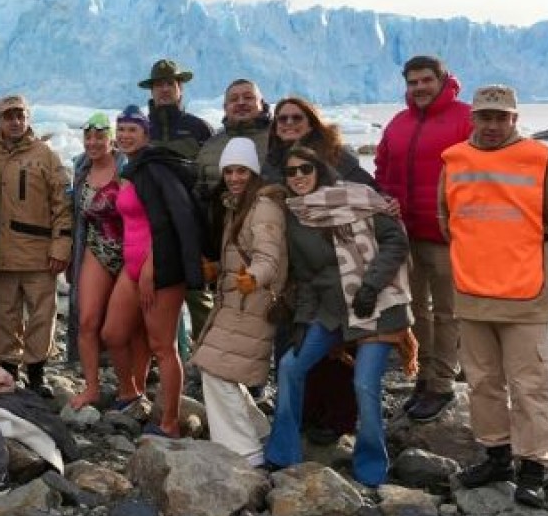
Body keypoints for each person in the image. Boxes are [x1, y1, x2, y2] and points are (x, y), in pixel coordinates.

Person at [442, 85, 548, 506]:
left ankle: (533, 467)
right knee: (482, 381)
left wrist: (542, 266)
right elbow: (447, 219)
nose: (492, 125)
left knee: (528, 385)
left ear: (515, 119)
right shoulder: (454, 159)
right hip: (471, 292)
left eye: (501, 117)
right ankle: (497, 455)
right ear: (473, 118)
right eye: (485, 116)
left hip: (523, 296)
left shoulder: (542, 161)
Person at [263, 147, 412, 487]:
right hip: (330, 311)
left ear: (320, 170)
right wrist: (302, 323)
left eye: (306, 168)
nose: (298, 176)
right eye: (291, 172)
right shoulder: (295, 216)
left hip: (376, 305)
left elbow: (395, 241)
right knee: (289, 366)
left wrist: (370, 286)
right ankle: (284, 452)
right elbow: (306, 279)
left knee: (364, 383)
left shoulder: (357, 196)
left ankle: (371, 468)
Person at [375, 55, 474, 423]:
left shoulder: (465, 119)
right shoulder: (399, 123)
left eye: (426, 81)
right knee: (415, 308)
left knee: (448, 311)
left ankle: (443, 382)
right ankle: (423, 375)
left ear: (442, 80)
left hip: (449, 235)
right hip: (405, 234)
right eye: (413, 82)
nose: (419, 88)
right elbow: (382, 169)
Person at [100, 106, 206, 438]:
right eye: (122, 129)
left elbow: (166, 223)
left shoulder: (155, 168)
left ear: (146, 134)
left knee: (162, 346)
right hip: (133, 268)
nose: (126, 135)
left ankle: (170, 422)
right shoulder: (133, 169)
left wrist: (151, 268)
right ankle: (132, 392)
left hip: (159, 270)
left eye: (133, 129)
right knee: (113, 334)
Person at [191, 138, 285, 464]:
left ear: (254, 171)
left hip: (252, 304)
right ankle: (258, 432)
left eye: (241, 170)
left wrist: (254, 276)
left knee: (216, 370)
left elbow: (269, 255)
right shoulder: (237, 205)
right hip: (236, 301)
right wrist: (219, 268)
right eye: (229, 171)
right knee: (219, 369)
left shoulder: (263, 207)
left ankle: (244, 453)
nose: (234, 177)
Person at [0, 94, 71, 392]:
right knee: (4, 315)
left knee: (42, 315)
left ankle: (36, 373)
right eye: (9, 116)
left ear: (28, 118)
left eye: (20, 116)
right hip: (0, 253)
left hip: (39, 254)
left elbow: (63, 205)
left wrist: (61, 248)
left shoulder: (45, 154)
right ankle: (7, 370)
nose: (15, 122)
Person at [66, 113, 151, 415]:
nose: (93, 143)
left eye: (99, 137)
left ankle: (134, 386)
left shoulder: (127, 166)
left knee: (135, 325)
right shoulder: (80, 167)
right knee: (87, 319)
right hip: (97, 247)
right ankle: (92, 386)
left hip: (132, 252)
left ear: (110, 139)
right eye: (88, 137)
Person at [138, 59, 214, 350]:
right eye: (159, 84)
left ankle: (207, 360)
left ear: (180, 88)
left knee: (199, 295)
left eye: (171, 83)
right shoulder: (143, 130)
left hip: (192, 227)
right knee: (157, 295)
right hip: (154, 229)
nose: (165, 89)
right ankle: (167, 357)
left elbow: (209, 178)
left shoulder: (198, 129)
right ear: (152, 90)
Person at [195, 78, 273, 216]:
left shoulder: (278, 139)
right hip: (222, 230)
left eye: (248, 97)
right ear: (225, 107)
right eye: (234, 99)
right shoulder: (210, 146)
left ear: (261, 103)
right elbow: (199, 192)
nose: (241, 102)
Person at [264, 97, 375, 187]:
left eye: (297, 118)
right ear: (276, 126)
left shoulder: (334, 154)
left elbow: (369, 188)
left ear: (311, 125)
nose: (289, 122)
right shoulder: (272, 159)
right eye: (282, 118)